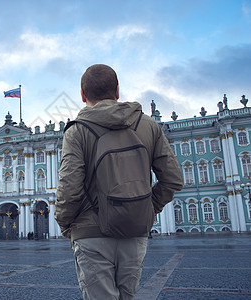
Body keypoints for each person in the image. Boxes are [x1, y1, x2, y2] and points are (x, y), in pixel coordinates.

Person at [55, 64, 183, 299]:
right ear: (117, 91)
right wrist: (145, 209)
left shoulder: (76, 131)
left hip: (90, 232)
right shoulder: (148, 125)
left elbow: (69, 188)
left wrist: (65, 223)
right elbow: (173, 179)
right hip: (134, 230)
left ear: (83, 95)